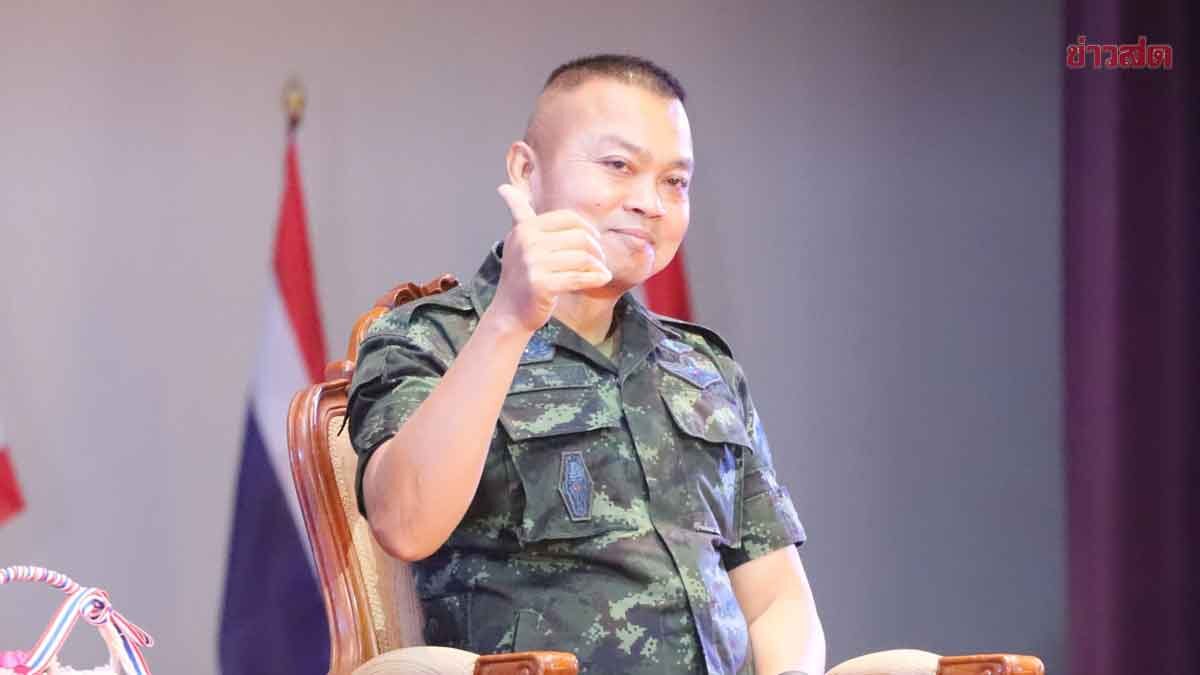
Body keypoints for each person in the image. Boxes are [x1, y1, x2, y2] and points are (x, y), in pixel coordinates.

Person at [347, 54, 824, 675]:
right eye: (619, 166)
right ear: (526, 171)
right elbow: (405, 525)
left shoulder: (703, 366)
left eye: (675, 181)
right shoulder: (431, 338)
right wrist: (509, 321)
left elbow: (777, 599)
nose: (650, 202)